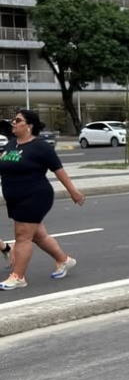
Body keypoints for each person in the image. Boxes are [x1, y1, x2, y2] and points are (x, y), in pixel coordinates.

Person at [0, 109, 85, 291]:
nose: (13, 123)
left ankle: (18, 277)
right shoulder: (12, 144)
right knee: (39, 236)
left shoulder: (41, 147)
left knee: (22, 236)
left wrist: (73, 191)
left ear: (28, 126)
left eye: (18, 120)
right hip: (15, 198)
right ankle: (64, 260)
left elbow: (59, 170)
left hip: (34, 196)